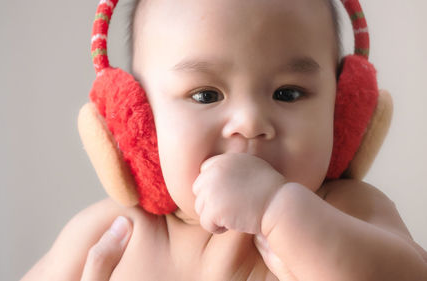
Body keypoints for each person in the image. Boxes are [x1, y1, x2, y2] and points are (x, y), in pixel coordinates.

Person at [22, 0, 427, 280]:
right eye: (205, 95)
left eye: (288, 92)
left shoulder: (348, 212)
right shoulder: (108, 236)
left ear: (342, 115)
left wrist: (277, 210)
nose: (250, 123)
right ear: (137, 125)